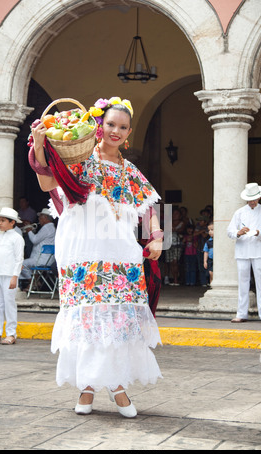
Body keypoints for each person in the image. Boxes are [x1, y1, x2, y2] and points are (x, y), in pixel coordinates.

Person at [29, 96, 163, 418]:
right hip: (82, 253)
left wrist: (158, 237)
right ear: (99, 127)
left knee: (115, 321)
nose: (116, 131)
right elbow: (46, 181)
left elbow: (153, 206)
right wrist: (38, 145)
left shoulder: (130, 171)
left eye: (123, 127)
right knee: (88, 320)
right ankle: (90, 388)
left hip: (120, 256)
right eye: (111, 124)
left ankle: (114, 387)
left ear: (128, 133)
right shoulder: (79, 163)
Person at [227, 182, 261, 323]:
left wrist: (259, 233)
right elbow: (229, 231)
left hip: (259, 251)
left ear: (259, 198)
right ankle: (241, 314)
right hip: (242, 251)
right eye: (250, 199)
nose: (252, 202)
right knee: (243, 283)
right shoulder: (239, 212)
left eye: (254, 199)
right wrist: (239, 232)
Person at [0, 208, 24, 345]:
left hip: (9, 275)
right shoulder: (0, 236)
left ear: (12, 222)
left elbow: (19, 259)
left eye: (3, 221)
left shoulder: (17, 238)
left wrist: (15, 276)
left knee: (9, 304)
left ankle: (11, 333)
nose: (0, 223)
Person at [19, 208, 56, 289]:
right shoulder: (50, 227)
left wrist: (29, 230)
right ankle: (34, 283)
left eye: (40, 217)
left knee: (21, 264)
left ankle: (33, 282)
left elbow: (34, 240)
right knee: (29, 265)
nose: (39, 219)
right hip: (46, 259)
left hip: (42, 260)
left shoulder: (47, 228)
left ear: (45, 218)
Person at [164, 208, 184, 286]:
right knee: (170, 262)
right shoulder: (168, 222)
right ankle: (173, 279)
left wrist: (173, 229)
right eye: (174, 214)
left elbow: (181, 230)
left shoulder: (182, 223)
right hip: (168, 244)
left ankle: (176, 279)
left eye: (177, 214)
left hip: (177, 245)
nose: (175, 215)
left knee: (175, 262)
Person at [194, 215, 209, 286]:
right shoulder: (199, 227)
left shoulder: (209, 228)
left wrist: (201, 231)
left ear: (205, 222)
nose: (199, 222)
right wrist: (202, 231)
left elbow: (205, 236)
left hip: (207, 250)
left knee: (208, 266)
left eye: (201, 221)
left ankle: (209, 281)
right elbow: (195, 234)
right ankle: (203, 282)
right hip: (199, 248)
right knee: (201, 266)